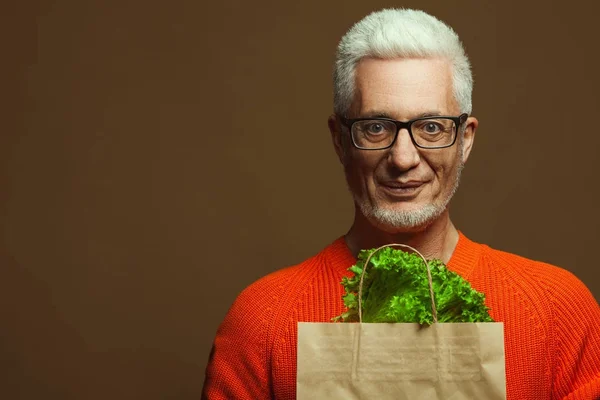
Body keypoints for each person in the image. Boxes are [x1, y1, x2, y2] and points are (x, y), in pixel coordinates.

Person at [201, 8, 600, 399]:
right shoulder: (262, 319)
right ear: (340, 140)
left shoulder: (555, 310)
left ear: (465, 140)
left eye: (431, 127)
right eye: (376, 127)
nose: (404, 158)